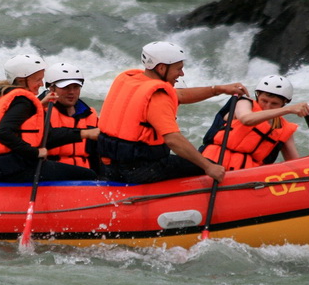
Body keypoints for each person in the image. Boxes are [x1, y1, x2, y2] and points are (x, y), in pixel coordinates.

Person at [96, 41, 247, 185]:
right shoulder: (158, 96)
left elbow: (180, 95)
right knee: (210, 166)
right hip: (140, 171)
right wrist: (208, 167)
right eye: (178, 68)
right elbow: (173, 140)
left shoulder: (131, 80)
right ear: (161, 68)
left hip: (109, 166)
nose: (181, 74)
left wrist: (219, 89)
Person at [0, 54, 99, 182]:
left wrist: (37, 106)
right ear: (22, 81)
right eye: (37, 80)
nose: (41, 84)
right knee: (88, 175)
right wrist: (35, 153)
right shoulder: (22, 100)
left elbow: (18, 122)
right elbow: (3, 132)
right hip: (13, 167)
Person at [200, 74, 309, 169]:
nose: (267, 107)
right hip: (212, 164)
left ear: (284, 102)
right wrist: (288, 109)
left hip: (246, 177)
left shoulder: (283, 129)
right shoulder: (244, 103)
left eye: (274, 104)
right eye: (264, 101)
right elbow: (246, 119)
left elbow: (295, 163)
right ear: (257, 95)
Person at [40, 62, 100, 172]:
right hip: (50, 173)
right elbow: (44, 139)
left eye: (76, 87)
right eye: (66, 87)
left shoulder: (90, 114)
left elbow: (97, 153)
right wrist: (84, 133)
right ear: (51, 89)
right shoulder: (40, 111)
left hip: (85, 177)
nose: (72, 92)